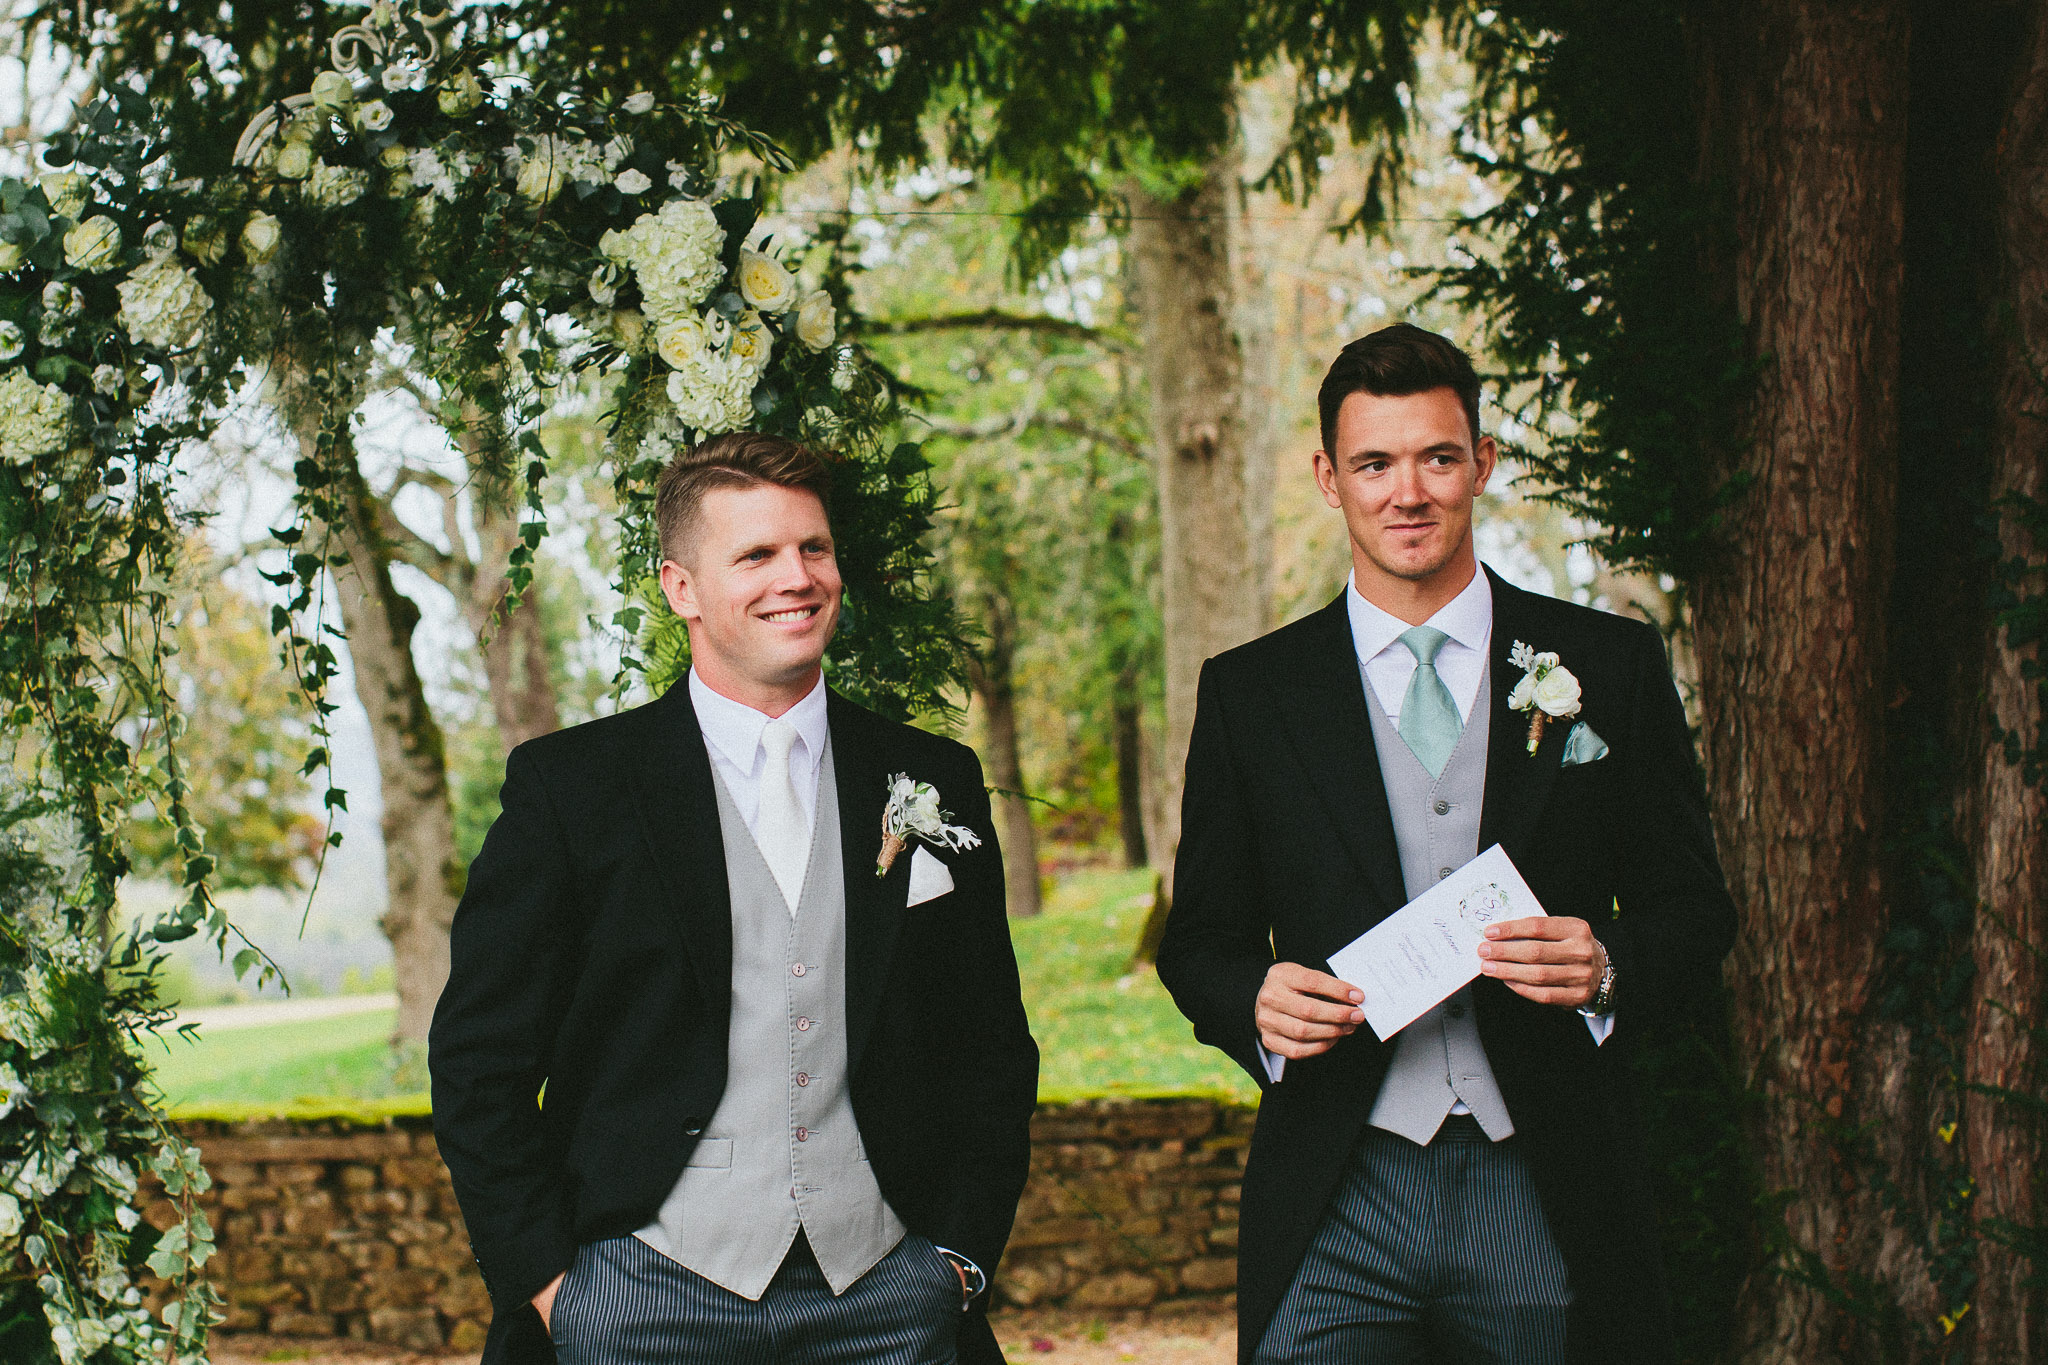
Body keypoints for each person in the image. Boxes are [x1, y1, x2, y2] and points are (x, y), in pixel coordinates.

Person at [1156, 324, 1737, 1364]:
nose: (1406, 491)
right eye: (1374, 463)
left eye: (1434, 456)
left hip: (1544, 1174)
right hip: (1339, 1182)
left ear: (1481, 463)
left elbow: (1693, 907)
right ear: (1329, 479)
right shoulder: (1252, 693)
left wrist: (1608, 965)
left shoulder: (1606, 665)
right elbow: (1199, 939)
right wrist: (1251, 998)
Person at [430, 432, 1039, 1365]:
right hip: (642, 1294)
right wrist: (558, 1290)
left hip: (887, 1296)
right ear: (683, 590)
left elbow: (990, 1043)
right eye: (754, 554)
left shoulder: (928, 776)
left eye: (813, 548)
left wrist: (956, 1260)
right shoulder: (575, 787)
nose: (794, 576)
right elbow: (479, 1058)